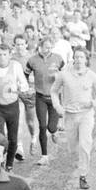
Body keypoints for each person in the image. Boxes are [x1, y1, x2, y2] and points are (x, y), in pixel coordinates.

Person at [51, 47, 96, 189]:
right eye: (77, 56)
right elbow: (54, 91)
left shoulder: (91, 75)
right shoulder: (64, 75)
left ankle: (83, 175)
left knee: (85, 144)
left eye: (82, 57)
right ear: (73, 58)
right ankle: (78, 160)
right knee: (73, 147)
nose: (79, 59)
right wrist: (58, 106)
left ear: (86, 59)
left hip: (86, 114)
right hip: (69, 114)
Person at [27, 35, 65, 164]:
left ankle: (54, 132)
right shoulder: (32, 60)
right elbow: (25, 74)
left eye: (50, 47)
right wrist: (27, 86)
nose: (48, 49)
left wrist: (58, 76)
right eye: (45, 47)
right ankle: (44, 156)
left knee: (51, 127)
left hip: (54, 97)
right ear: (40, 47)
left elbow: (66, 74)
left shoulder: (58, 59)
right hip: (40, 97)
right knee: (42, 126)